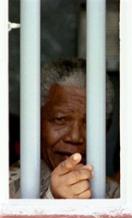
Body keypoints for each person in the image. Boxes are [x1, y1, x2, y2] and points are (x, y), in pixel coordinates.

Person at [9, 58, 119, 199]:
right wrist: (52, 200)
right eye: (60, 120)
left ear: (106, 129)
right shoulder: (7, 193)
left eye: (89, 124)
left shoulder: (116, 196)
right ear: (35, 123)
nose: (75, 137)